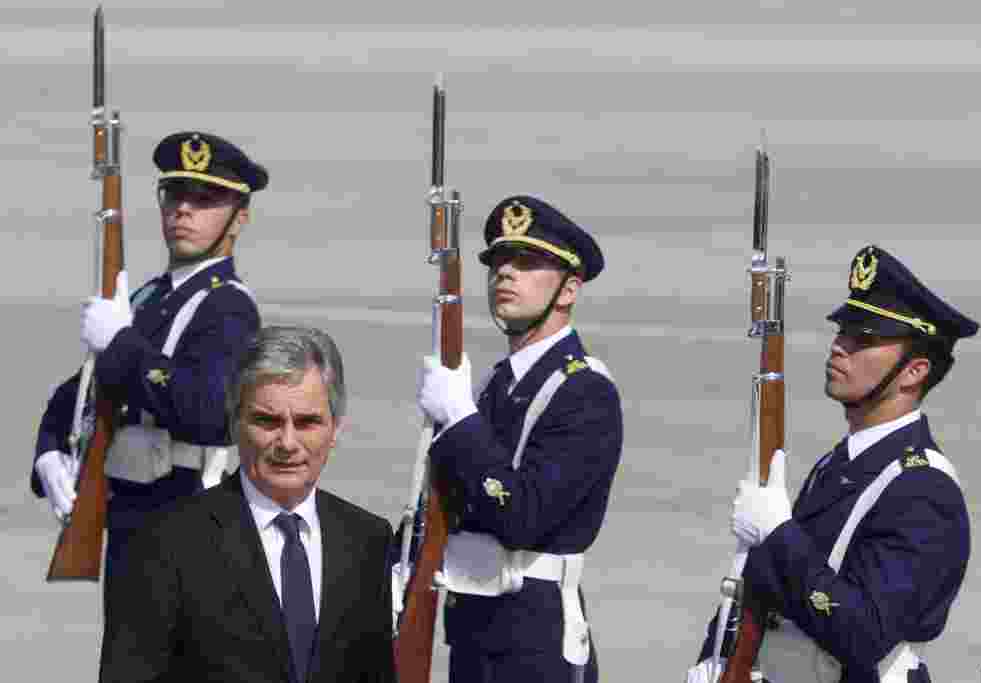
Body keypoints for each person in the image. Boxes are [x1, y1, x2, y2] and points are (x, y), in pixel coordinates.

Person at [689, 245, 979, 683]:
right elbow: (769, 591)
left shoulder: (922, 488)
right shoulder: (841, 462)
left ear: (914, 371)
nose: (840, 346)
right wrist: (719, 657)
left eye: (864, 340)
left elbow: (862, 634)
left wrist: (779, 534)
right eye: (843, 331)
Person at [32, 131, 267, 588]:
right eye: (174, 194)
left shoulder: (228, 307)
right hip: (130, 525)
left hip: (190, 529)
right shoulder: (147, 299)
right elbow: (78, 395)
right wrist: (49, 452)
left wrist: (120, 344)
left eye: (205, 199)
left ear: (239, 218)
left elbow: (209, 413)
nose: (183, 209)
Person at [99, 325, 396, 683]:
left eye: (307, 422)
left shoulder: (367, 540)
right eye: (267, 421)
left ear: (335, 430)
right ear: (235, 424)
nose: (287, 443)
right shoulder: (164, 543)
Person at [417, 195, 624, 683]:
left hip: (535, 645)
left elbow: (522, 517)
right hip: (472, 637)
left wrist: (460, 418)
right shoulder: (496, 384)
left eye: (527, 263)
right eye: (499, 263)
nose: (504, 273)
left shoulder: (585, 391)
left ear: (569, 289)